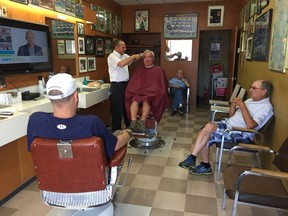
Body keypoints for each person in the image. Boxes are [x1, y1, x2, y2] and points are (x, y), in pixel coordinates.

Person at [27, 73, 132, 161]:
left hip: (52, 178)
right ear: (76, 96)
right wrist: (128, 133)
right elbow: (115, 145)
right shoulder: (91, 123)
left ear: (50, 98)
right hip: (89, 178)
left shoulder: (35, 120)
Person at [179, 80, 273, 175]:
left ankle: (204, 165)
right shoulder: (250, 100)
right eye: (250, 87)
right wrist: (233, 104)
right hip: (229, 124)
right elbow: (231, 115)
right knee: (208, 127)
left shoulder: (265, 107)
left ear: (264, 91)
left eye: (254, 88)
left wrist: (242, 106)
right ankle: (193, 158)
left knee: (207, 135)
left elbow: (251, 125)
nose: (250, 90)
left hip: (241, 133)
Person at [125, 50, 168, 133]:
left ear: (153, 59)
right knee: (134, 99)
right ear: (143, 59)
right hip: (139, 92)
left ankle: (142, 122)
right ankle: (133, 123)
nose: (147, 59)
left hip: (152, 94)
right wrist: (136, 90)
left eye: (149, 57)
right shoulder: (138, 69)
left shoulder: (158, 70)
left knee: (146, 99)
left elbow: (162, 86)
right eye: (145, 57)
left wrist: (155, 91)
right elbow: (134, 84)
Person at [107, 39, 142, 132]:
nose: (125, 49)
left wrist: (141, 55)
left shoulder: (125, 56)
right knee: (117, 109)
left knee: (127, 106)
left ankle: (129, 127)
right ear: (116, 47)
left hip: (126, 85)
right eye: (123, 47)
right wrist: (133, 56)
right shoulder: (112, 56)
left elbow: (132, 59)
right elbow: (121, 64)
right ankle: (116, 130)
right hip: (117, 86)